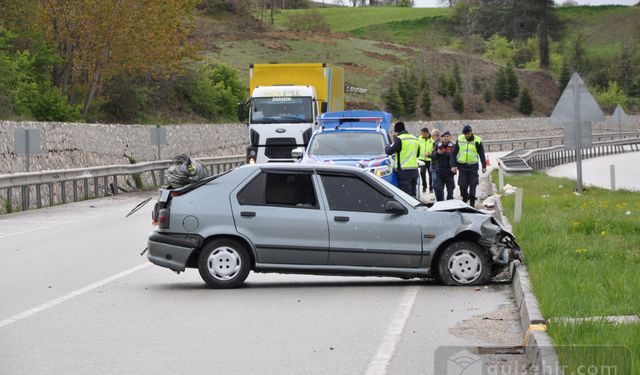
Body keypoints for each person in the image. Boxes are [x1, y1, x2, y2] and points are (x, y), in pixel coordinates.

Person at [451, 125, 486, 208]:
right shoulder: (460, 139)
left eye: (469, 133)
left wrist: (484, 166)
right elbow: (453, 153)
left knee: (473, 184)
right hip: (462, 166)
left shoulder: (477, 140)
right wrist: (453, 165)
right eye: (466, 134)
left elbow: (481, 154)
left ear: (471, 132)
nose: (467, 135)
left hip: (473, 166)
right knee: (462, 185)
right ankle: (465, 197)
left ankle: (472, 203)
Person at [385, 121, 419, 197]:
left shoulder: (399, 139)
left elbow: (389, 151)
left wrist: (387, 146)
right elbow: (418, 154)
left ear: (396, 131)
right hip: (414, 172)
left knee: (406, 197)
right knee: (413, 196)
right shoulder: (415, 138)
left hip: (404, 172)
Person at [430, 132, 456, 201]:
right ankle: (440, 203)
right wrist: (438, 153)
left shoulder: (453, 145)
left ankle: (450, 204)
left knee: (450, 190)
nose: (445, 137)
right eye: (444, 136)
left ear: (450, 137)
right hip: (439, 171)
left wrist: (445, 153)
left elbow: (454, 157)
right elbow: (432, 156)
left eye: (447, 136)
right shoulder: (438, 145)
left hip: (449, 171)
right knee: (438, 189)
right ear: (441, 138)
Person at [417, 128, 431, 193]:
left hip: (430, 159)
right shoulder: (419, 138)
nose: (421, 134)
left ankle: (431, 187)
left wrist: (431, 154)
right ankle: (424, 186)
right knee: (422, 173)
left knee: (431, 174)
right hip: (422, 159)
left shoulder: (432, 139)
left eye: (422, 133)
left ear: (426, 133)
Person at [428, 128, 440, 193]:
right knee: (434, 184)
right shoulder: (435, 143)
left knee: (436, 184)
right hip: (434, 166)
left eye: (432, 135)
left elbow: (437, 155)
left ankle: (439, 199)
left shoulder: (438, 143)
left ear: (435, 135)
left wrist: (429, 155)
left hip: (436, 167)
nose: (431, 137)